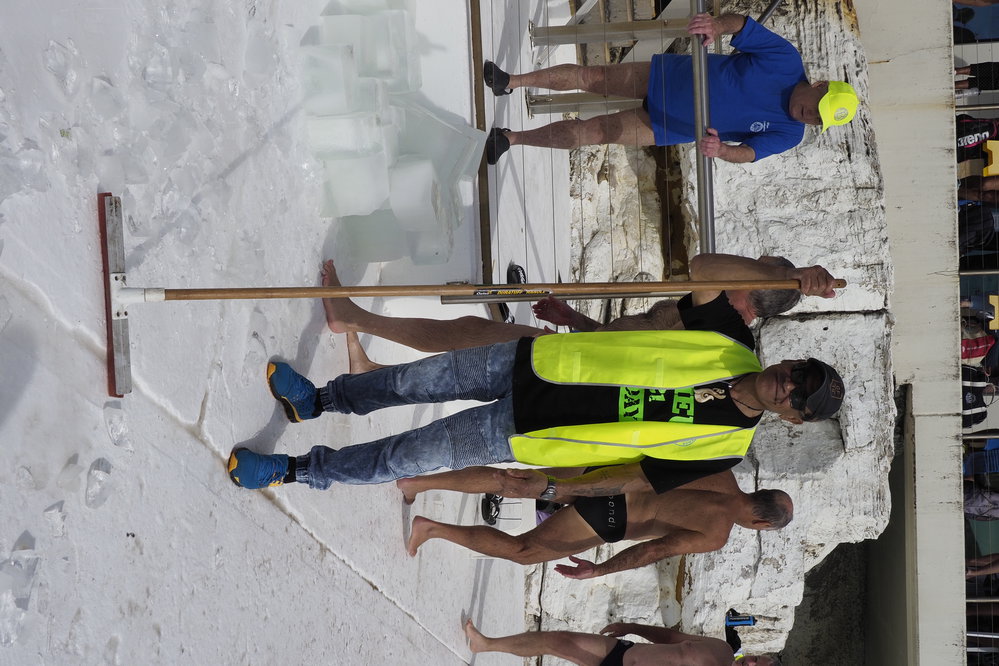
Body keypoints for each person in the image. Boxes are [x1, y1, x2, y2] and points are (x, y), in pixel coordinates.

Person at [226, 326, 846, 494]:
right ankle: (322, 400)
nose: (788, 385)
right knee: (410, 381)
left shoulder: (726, 450)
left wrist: (555, 485)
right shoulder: (727, 340)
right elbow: (700, 278)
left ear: (791, 420)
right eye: (798, 373)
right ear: (786, 362)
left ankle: (295, 472)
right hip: (539, 365)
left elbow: (639, 475)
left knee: (406, 456)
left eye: (799, 396)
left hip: (533, 433)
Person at [482, 13, 859, 165]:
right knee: (591, 77)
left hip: (668, 125)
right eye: (818, 106)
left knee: (593, 133)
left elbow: (749, 153)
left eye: (817, 121)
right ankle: (511, 82)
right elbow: (742, 25)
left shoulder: (790, 134)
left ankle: (511, 138)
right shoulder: (786, 60)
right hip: (666, 76)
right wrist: (715, 26)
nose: (810, 117)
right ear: (820, 85)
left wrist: (723, 150)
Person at [319, 253, 839, 354]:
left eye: (756, 266)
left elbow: (704, 266)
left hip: (574, 378)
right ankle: (362, 332)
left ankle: (355, 319)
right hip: (579, 359)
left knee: (467, 338)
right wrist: (575, 319)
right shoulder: (712, 314)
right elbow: (626, 344)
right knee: (470, 340)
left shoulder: (717, 325)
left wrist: (790, 276)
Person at [402, 468, 791, 579]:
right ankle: (430, 528)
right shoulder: (716, 534)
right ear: (759, 522)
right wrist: (600, 569)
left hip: (607, 477)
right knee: (524, 551)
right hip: (610, 518)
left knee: (513, 481)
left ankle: (417, 481)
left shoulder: (723, 472)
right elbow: (653, 549)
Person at [462, 619, 780, 666]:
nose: (750, 662)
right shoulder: (722, 649)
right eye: (757, 658)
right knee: (557, 640)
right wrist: (631, 627)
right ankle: (485, 644)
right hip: (623, 653)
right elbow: (672, 638)